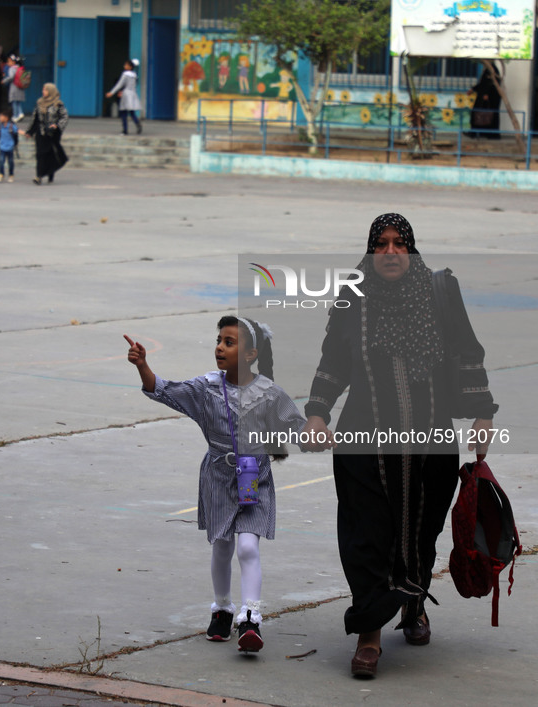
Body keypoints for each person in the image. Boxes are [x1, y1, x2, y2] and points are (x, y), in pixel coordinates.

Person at [303, 213, 498, 678]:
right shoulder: (353, 295)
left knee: (420, 532)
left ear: (411, 249)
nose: (390, 253)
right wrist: (316, 414)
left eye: (399, 244)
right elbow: (334, 360)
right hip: (362, 442)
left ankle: (412, 605)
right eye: (381, 244)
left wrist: (483, 414)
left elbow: (467, 352)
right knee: (367, 535)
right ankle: (370, 635)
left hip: (430, 441)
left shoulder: (439, 293)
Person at [124, 316, 306, 652]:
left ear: (251, 354)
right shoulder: (205, 388)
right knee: (222, 546)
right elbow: (162, 390)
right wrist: (143, 365)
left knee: (248, 546)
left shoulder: (269, 393)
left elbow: (296, 425)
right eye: (219, 340)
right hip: (218, 479)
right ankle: (222, 609)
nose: (219, 348)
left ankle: (250, 617)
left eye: (229, 342)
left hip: (255, 478)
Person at [23, 83, 69, 185]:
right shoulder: (39, 103)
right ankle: (39, 176)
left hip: (52, 134)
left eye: (46, 90)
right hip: (41, 133)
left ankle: (50, 172)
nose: (43, 92)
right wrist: (29, 132)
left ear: (51, 91)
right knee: (40, 155)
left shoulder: (58, 104)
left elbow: (64, 117)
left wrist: (56, 125)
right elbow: (34, 119)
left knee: (50, 154)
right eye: (43, 90)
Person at [105, 59, 142, 135]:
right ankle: (137, 123)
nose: (124, 66)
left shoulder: (125, 74)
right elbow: (133, 85)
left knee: (123, 113)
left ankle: (125, 130)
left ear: (130, 66)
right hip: (133, 94)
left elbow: (119, 84)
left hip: (126, 95)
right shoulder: (135, 75)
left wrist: (111, 93)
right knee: (132, 113)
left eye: (126, 65)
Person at [467, 63, 501, 139]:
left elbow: (491, 83)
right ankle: (478, 133)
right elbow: (483, 84)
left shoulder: (492, 70)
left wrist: (486, 93)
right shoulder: (488, 70)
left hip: (490, 98)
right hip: (485, 97)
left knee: (488, 115)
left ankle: (490, 134)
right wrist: (473, 89)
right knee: (478, 113)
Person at [0, 107, 18, 183]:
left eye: (1, 116)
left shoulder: (11, 126)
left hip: (10, 147)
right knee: (1, 161)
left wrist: (26, 134)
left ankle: (11, 175)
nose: (0, 118)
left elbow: (17, 131)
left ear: (6, 118)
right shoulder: (0, 126)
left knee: (10, 162)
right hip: (2, 147)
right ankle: (1, 174)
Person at [1, 54, 25, 123]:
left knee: (14, 102)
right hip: (20, 87)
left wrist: (4, 80)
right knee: (18, 102)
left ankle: (15, 115)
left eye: (9, 61)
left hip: (14, 87)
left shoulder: (12, 69)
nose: (7, 63)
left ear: (13, 62)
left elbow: (11, 77)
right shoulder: (19, 67)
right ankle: (20, 113)